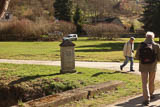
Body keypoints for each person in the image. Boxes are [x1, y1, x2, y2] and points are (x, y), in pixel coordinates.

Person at [135, 31, 160, 106]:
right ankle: (151, 94)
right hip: (153, 66)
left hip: (143, 66)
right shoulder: (156, 45)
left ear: (146, 37)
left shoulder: (141, 45)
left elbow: (136, 56)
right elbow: (159, 58)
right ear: (153, 37)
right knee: (151, 81)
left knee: (144, 83)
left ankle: (146, 99)